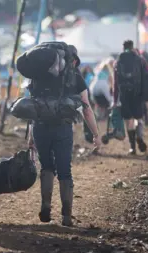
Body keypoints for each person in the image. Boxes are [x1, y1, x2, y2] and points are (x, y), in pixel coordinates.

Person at [27, 45, 101, 227]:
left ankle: (46, 205)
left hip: (40, 127)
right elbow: (86, 108)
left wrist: (30, 135)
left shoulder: (39, 74)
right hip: (63, 128)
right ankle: (66, 216)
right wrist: (96, 134)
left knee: (46, 166)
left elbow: (32, 107)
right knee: (64, 170)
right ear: (71, 59)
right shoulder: (74, 77)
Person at [114, 40, 148, 155]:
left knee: (129, 120)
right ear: (132, 47)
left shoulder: (118, 61)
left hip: (124, 94)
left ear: (123, 47)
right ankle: (139, 137)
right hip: (138, 94)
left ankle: (132, 147)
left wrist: (115, 98)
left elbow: (116, 82)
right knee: (138, 118)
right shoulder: (140, 59)